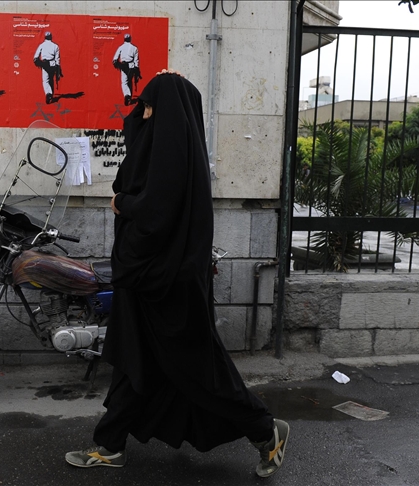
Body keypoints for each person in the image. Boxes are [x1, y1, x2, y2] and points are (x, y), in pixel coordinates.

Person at [64, 70, 290, 479]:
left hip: (168, 283)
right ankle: (111, 444)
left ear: (168, 113)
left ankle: (265, 430)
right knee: (135, 361)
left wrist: (123, 203)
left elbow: (157, 209)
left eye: (150, 106)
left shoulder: (172, 159)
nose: (144, 115)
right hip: (146, 278)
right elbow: (137, 155)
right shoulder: (170, 152)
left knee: (198, 369)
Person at [112, 34, 141, 105]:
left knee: (124, 82)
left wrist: (118, 65)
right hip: (131, 66)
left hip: (124, 66)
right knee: (130, 81)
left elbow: (115, 59)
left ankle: (127, 95)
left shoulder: (121, 47)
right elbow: (136, 60)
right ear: (130, 39)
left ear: (124, 39)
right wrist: (136, 68)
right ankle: (129, 97)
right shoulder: (134, 48)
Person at [33, 32, 62, 104]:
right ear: (51, 37)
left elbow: (35, 57)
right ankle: (51, 94)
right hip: (53, 64)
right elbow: (57, 59)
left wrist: (39, 63)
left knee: (45, 80)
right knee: (51, 79)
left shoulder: (42, 45)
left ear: (45, 37)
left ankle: (48, 94)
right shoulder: (55, 46)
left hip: (45, 64)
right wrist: (58, 68)